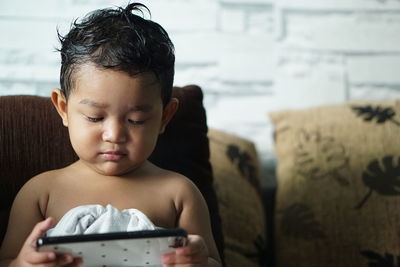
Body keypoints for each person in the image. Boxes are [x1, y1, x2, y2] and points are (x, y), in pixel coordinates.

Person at [0, 3, 222, 267]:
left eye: (135, 120)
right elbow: (8, 260)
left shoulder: (179, 193)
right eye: (95, 117)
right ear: (63, 109)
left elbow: (213, 261)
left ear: (165, 117)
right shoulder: (40, 192)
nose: (114, 134)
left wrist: (199, 262)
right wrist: (24, 263)